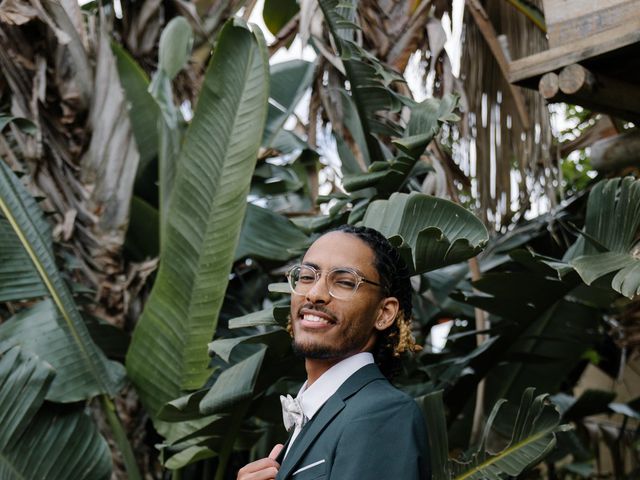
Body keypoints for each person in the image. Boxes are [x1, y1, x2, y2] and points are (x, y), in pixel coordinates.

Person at [237, 225, 430, 480]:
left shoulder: (383, 414)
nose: (315, 294)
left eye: (345, 282)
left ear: (384, 313)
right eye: (307, 276)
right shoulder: (320, 412)